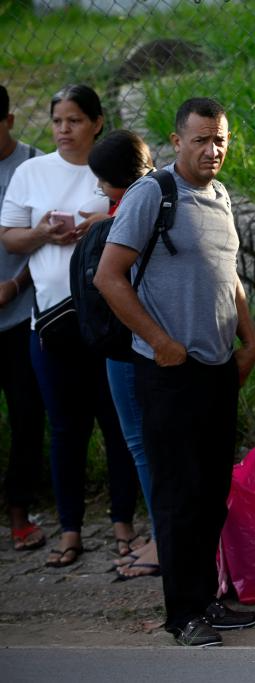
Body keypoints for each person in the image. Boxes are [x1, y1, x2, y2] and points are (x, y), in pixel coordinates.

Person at [95, 98, 255, 647]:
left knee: (212, 493)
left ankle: (206, 601)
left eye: (220, 140)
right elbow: (109, 277)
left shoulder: (220, 196)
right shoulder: (152, 194)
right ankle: (181, 614)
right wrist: (159, 341)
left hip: (215, 367)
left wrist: (250, 339)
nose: (212, 150)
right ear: (176, 141)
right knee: (177, 494)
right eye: (201, 140)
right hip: (169, 370)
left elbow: (229, 272)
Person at [0, 84, 139, 568]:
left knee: (117, 424)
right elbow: (11, 238)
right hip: (52, 323)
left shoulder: (115, 169)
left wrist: (98, 228)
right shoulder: (31, 172)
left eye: (75, 120)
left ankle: (124, 524)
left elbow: (138, 220)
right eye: (58, 120)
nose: (64, 129)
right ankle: (70, 530)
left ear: (97, 122)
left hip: (110, 321)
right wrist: (44, 232)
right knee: (65, 429)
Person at [86, 130, 161, 579]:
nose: (99, 190)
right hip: (150, 343)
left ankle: (160, 540)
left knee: (142, 444)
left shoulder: (127, 212)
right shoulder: (161, 195)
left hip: (130, 344)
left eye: (101, 181)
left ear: (114, 181)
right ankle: (161, 536)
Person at [0, 84, 46, 552]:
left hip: (20, 316)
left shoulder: (33, 166)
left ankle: (20, 511)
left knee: (28, 416)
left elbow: (52, 238)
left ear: (10, 120)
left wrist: (14, 286)